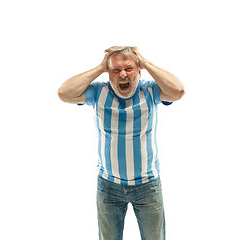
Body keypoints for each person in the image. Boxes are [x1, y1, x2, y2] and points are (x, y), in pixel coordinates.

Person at [58, 46, 185, 240]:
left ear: (139, 71)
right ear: (109, 74)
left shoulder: (150, 91)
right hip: (109, 186)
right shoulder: (99, 93)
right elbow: (64, 93)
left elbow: (178, 90)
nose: (123, 74)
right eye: (116, 70)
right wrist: (101, 67)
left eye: (129, 68)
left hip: (147, 185)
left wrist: (147, 63)